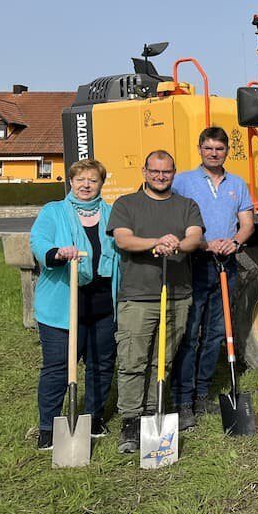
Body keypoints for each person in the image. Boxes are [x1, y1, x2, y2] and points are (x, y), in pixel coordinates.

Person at [108, 150, 204, 454]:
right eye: (155, 171)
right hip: (138, 296)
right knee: (132, 361)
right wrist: (156, 242)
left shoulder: (186, 205)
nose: (160, 176)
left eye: (166, 171)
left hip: (177, 296)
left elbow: (194, 238)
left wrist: (177, 244)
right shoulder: (126, 204)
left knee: (162, 361)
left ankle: (152, 412)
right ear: (144, 172)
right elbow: (123, 239)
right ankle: (130, 420)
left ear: (174, 173)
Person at [30, 159, 120, 450]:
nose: (86, 185)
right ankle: (48, 427)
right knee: (57, 367)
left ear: (101, 183)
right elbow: (38, 241)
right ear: (71, 182)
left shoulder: (111, 214)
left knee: (101, 364)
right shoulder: (54, 211)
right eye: (80, 179)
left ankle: (93, 418)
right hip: (62, 304)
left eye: (93, 180)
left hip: (103, 304)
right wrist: (57, 253)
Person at [171, 126, 255, 429]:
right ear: (199, 150)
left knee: (217, 332)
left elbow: (247, 223)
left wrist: (235, 242)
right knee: (190, 332)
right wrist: (203, 244)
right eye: (208, 148)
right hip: (194, 263)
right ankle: (183, 398)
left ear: (226, 152)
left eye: (219, 149)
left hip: (225, 264)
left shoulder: (237, 183)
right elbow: (174, 219)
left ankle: (202, 393)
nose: (214, 153)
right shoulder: (183, 182)